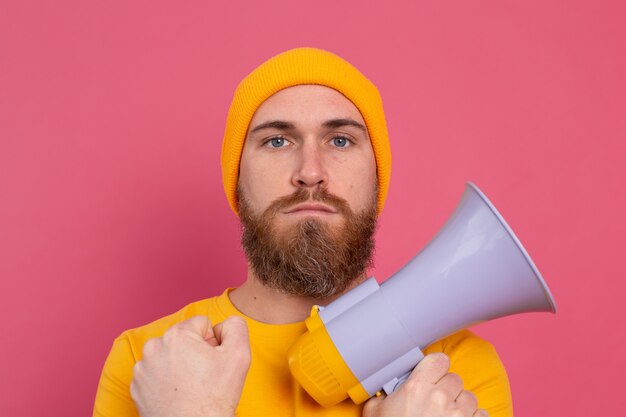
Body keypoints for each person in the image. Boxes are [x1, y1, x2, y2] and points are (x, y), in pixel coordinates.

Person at [93, 47, 513, 417]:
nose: (310, 173)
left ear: (377, 179)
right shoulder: (152, 362)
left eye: (341, 141)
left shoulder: (451, 375)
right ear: (237, 180)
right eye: (277, 141)